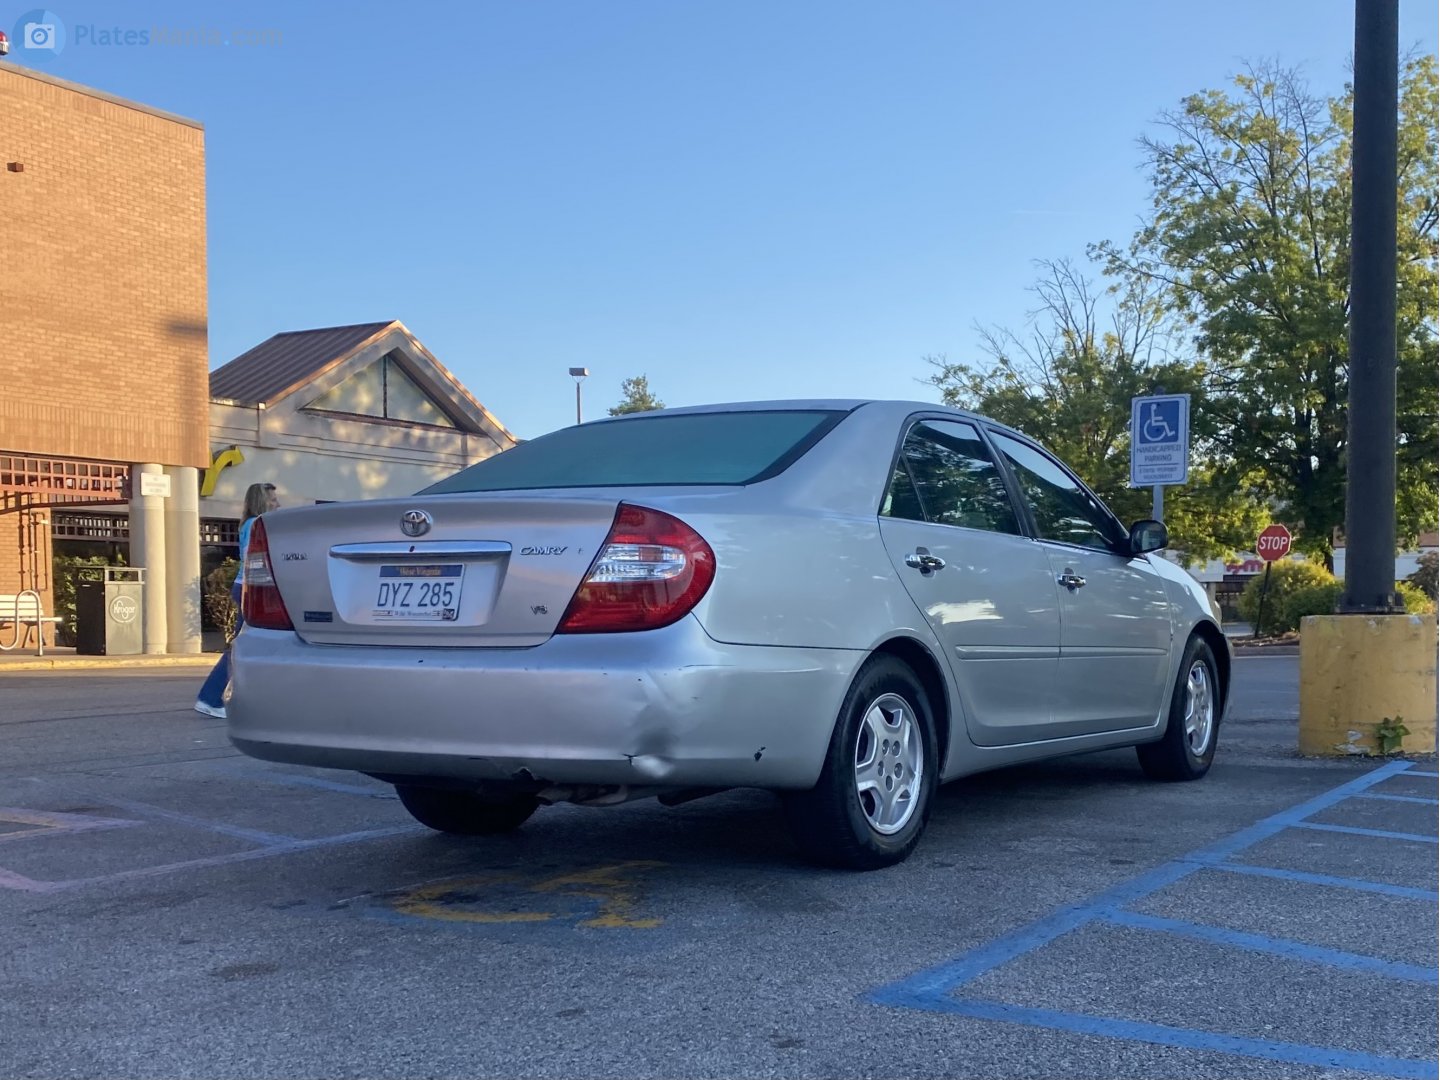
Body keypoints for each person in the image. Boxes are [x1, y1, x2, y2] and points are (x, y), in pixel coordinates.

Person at [195, 482, 278, 718]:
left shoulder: (249, 524)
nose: (277, 504)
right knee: (242, 648)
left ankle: (233, 698)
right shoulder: (256, 525)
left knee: (253, 646)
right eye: (272, 500)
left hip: (247, 588)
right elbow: (259, 562)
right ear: (261, 501)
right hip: (251, 589)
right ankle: (210, 698)